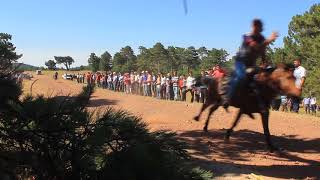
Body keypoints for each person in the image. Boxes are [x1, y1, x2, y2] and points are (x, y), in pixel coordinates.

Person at [222, 19, 278, 110]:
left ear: (260, 28)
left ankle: (259, 102)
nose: (256, 28)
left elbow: (262, 51)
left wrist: (264, 63)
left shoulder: (262, 38)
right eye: (254, 26)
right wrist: (269, 40)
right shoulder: (246, 36)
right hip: (240, 62)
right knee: (241, 77)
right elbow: (255, 46)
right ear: (252, 27)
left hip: (251, 64)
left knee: (260, 79)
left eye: (258, 26)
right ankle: (227, 98)